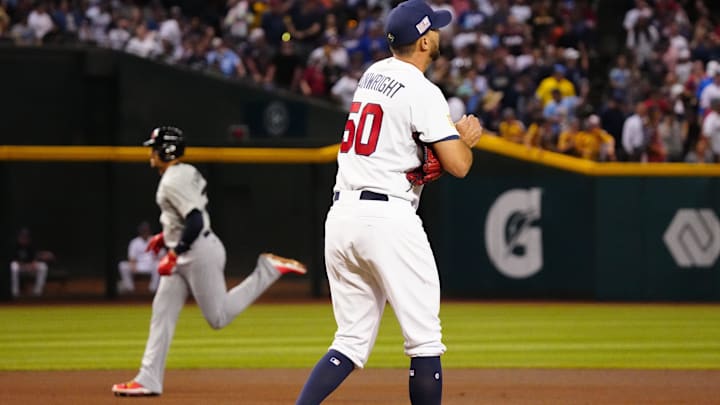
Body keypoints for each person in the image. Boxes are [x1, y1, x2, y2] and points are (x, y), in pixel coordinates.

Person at [295, 1, 483, 404]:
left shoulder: (372, 74)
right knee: (425, 341)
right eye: (434, 29)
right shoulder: (423, 90)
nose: (439, 35)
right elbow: (458, 166)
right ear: (425, 40)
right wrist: (462, 140)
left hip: (342, 215)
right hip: (387, 219)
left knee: (348, 341)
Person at [112, 126, 307, 396]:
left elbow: (195, 220)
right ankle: (148, 379)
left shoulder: (171, 180)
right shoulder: (184, 171)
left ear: (166, 150)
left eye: (154, 147)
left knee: (218, 317)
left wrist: (174, 251)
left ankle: (268, 270)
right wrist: (164, 236)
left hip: (198, 252)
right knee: (162, 314)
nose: (151, 152)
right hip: (190, 248)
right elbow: (185, 217)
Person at [117, 221, 162, 294]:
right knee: (122, 265)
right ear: (140, 231)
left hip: (152, 265)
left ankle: (153, 289)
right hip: (138, 265)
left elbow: (161, 256)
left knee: (158, 265)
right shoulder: (134, 242)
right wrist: (133, 265)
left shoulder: (155, 240)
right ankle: (130, 288)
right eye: (143, 230)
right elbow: (132, 258)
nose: (144, 232)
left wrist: (157, 258)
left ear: (149, 231)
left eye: (146, 230)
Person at [10, 228, 51, 297]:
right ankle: (15, 292)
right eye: (22, 237)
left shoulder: (31, 245)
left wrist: (32, 264)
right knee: (13, 266)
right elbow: (13, 259)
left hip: (30, 267)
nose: (24, 238)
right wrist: (24, 265)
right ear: (19, 237)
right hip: (20, 267)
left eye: (26, 237)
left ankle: (37, 291)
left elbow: (35, 258)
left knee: (43, 266)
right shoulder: (14, 245)